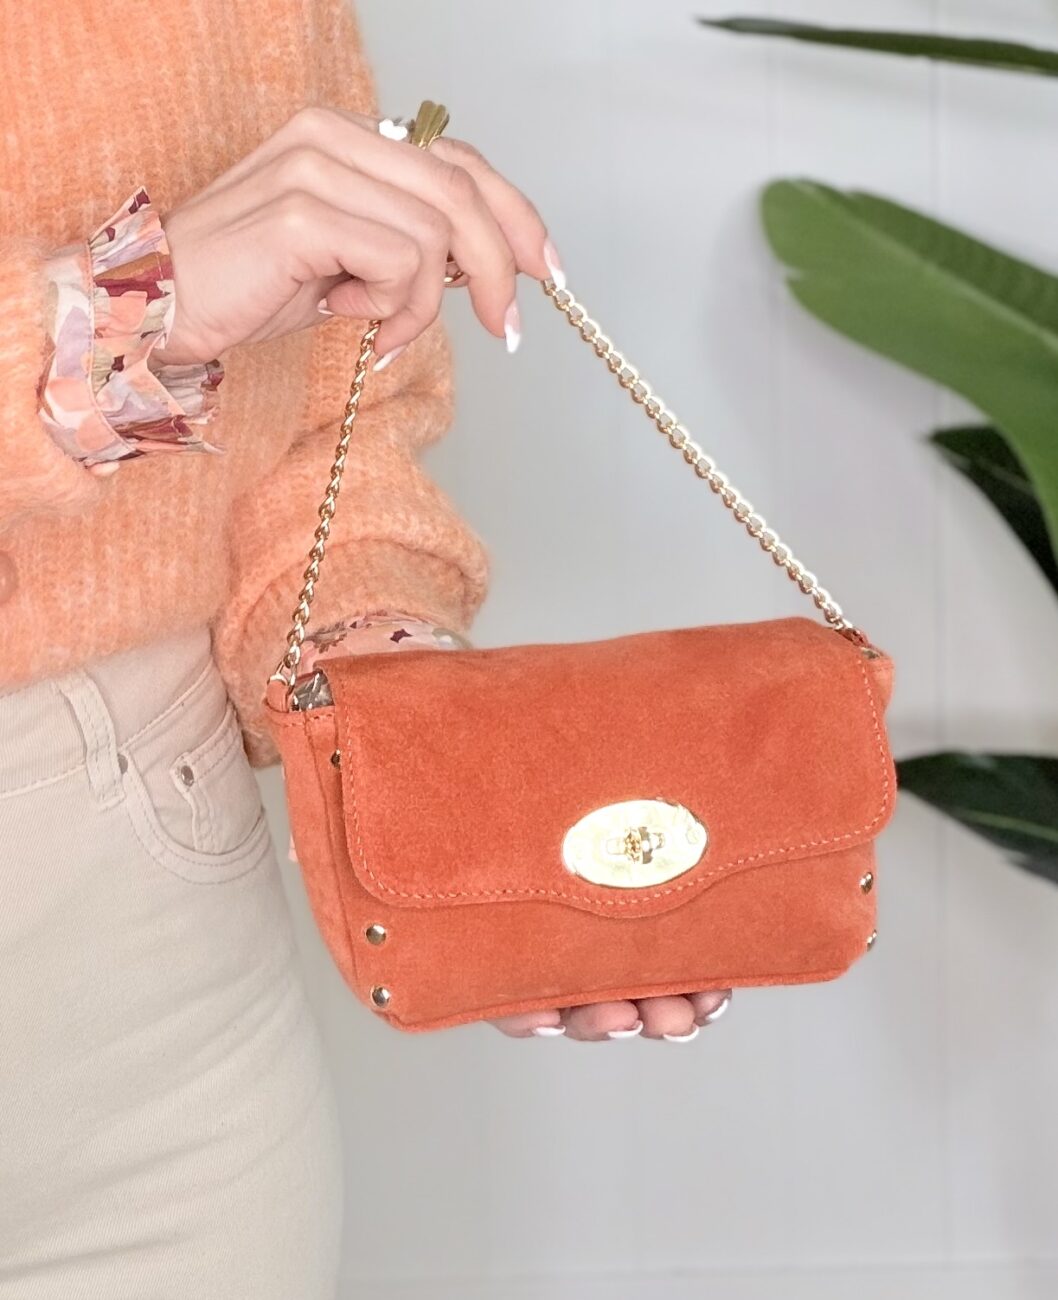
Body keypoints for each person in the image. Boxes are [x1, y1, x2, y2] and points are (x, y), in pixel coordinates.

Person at [0, 1, 732, 1293]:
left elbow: (322, 421)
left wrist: (409, 733)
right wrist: (110, 326)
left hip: (153, 961)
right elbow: (182, 305)